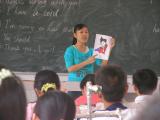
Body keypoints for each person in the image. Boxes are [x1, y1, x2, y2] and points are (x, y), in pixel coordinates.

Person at [64, 23, 115, 99]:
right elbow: (70, 69)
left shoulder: (92, 51)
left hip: (90, 85)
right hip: (74, 86)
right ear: (75, 35)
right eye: (81, 32)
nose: (84, 34)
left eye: (86, 32)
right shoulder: (70, 50)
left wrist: (109, 49)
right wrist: (86, 62)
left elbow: (103, 66)